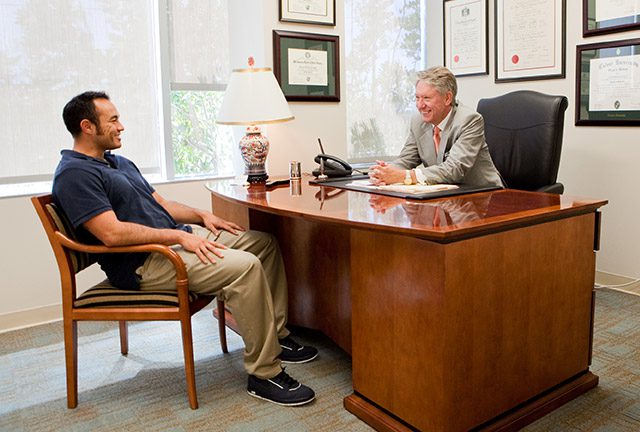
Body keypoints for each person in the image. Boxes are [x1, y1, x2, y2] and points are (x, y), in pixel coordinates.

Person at [53, 91, 318, 407]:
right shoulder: (74, 174)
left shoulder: (118, 163)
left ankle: (275, 336)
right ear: (87, 126)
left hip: (173, 241)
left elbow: (161, 204)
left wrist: (202, 216)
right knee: (245, 266)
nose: (121, 126)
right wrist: (178, 238)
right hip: (146, 262)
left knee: (263, 244)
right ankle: (264, 373)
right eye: (113, 120)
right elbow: (110, 234)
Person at [369, 66, 503, 188]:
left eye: (426, 98)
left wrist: (405, 176)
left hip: (484, 197)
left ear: (447, 98)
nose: (420, 105)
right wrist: (383, 172)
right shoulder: (418, 122)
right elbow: (405, 160)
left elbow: (454, 169)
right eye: (417, 98)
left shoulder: (469, 120)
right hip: (446, 197)